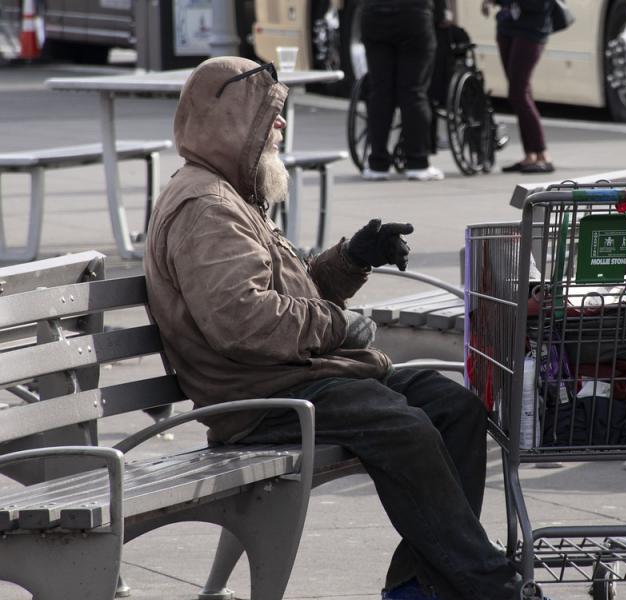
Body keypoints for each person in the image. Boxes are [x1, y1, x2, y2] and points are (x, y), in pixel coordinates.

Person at [144, 56, 533, 600]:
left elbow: (287, 294)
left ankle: (419, 584)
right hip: (258, 398)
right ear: (231, 123)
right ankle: (491, 588)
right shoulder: (206, 207)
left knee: (455, 409)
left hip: (297, 376)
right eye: (269, 115)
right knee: (405, 428)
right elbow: (244, 322)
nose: (280, 126)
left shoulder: (231, 194)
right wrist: (340, 326)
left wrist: (351, 259)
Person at [361, 0, 451, 181]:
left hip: (374, 15)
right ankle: (417, 162)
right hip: (414, 15)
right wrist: (441, 14)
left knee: (380, 92)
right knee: (413, 91)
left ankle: (377, 163)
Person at [483, 0, 555, 174]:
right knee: (520, 92)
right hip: (507, 27)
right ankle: (530, 155)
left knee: (518, 92)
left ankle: (543, 154)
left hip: (532, 30)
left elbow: (539, 5)